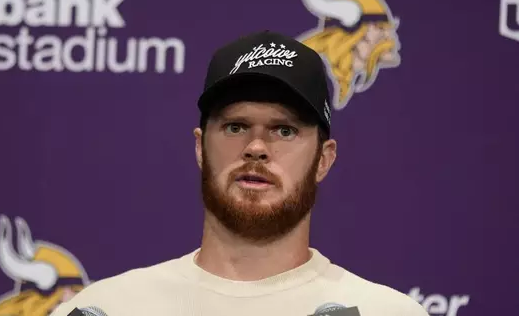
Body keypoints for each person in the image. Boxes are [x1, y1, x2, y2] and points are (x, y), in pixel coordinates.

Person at [51, 31, 429, 316]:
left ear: (324, 159)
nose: (256, 147)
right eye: (235, 127)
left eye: (285, 130)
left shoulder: (384, 312)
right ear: (201, 147)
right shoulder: (106, 309)